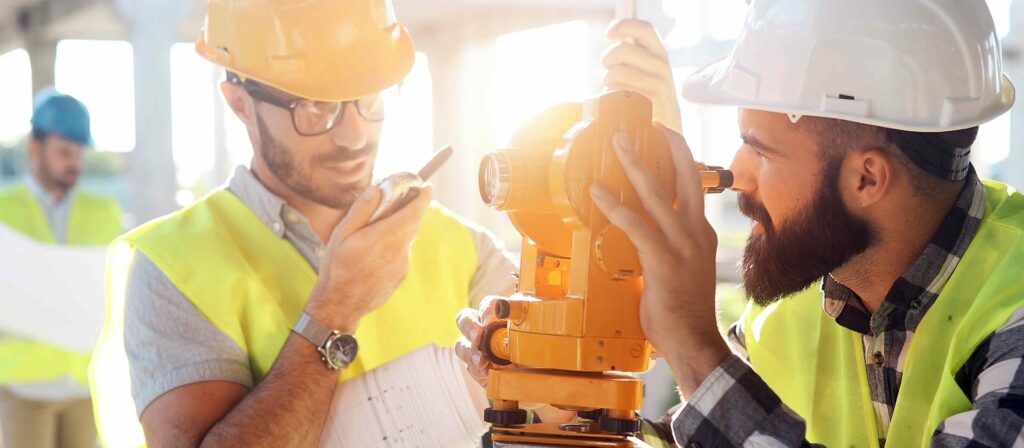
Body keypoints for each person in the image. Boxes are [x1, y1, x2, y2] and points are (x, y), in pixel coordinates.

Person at [457, 1, 1024, 446]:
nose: (735, 174)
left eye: (762, 151)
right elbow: (693, 436)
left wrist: (694, 347)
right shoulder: (792, 312)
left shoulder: (1012, 302)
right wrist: (571, 406)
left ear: (867, 179)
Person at [87, 1, 521, 446]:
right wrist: (335, 309)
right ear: (240, 103)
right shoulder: (174, 267)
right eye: (314, 107)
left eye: (369, 98)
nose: (353, 136)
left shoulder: (463, 246)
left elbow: (560, 386)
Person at [0, 89, 122, 448]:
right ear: (35, 148)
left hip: (84, 383)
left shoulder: (105, 211)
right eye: (65, 152)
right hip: (23, 385)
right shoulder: (3, 211)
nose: (76, 162)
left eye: (80, 152)